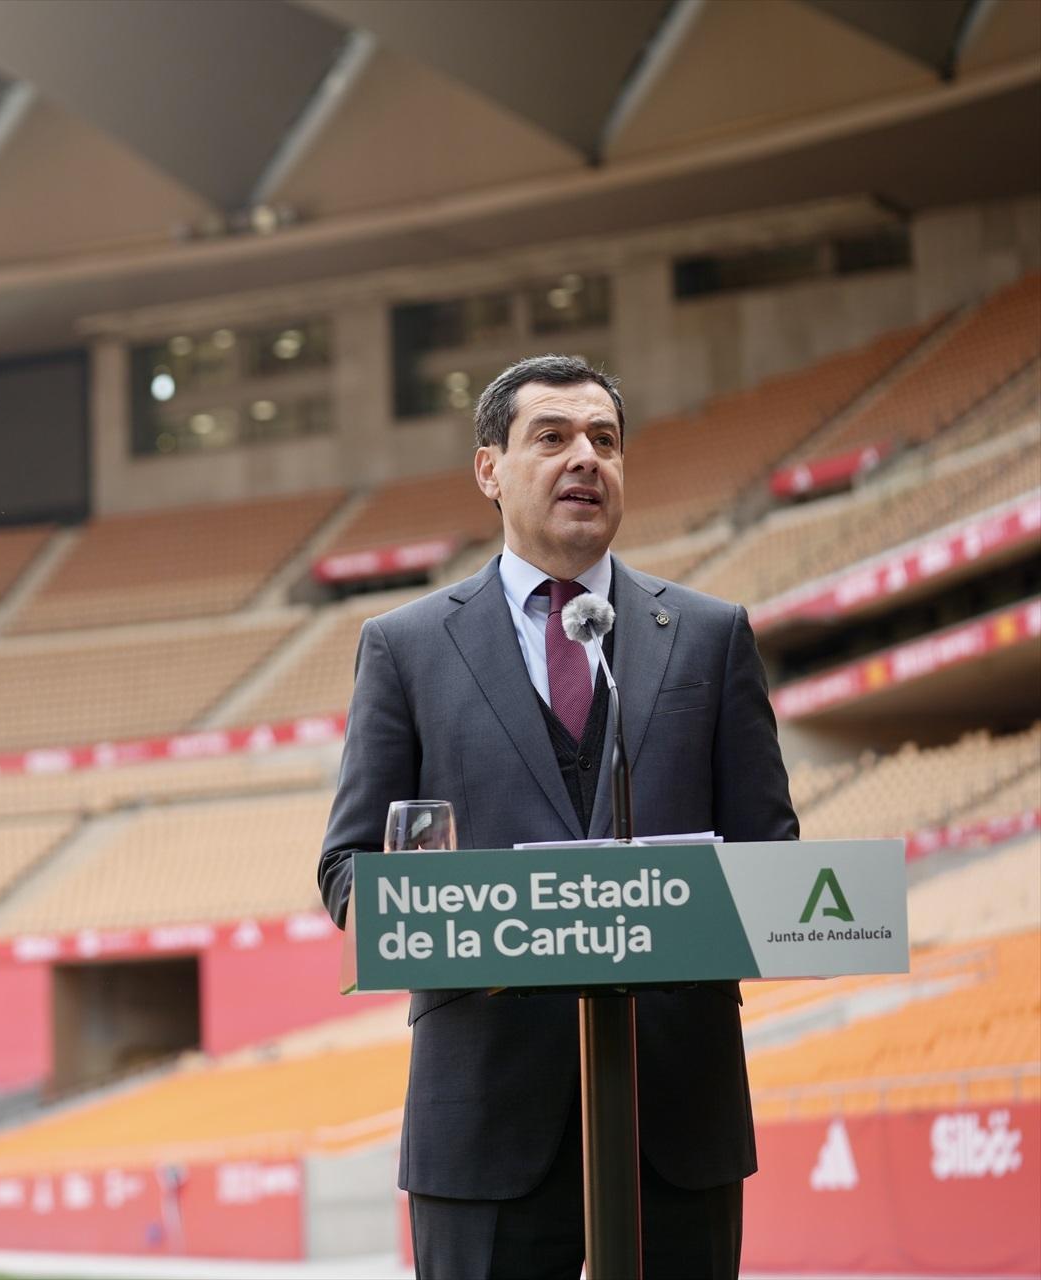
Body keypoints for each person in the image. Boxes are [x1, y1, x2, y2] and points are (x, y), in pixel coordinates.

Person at [318, 354, 796, 1279]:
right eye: (553, 438)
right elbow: (347, 872)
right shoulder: (405, 649)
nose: (586, 457)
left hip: (677, 1115)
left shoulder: (711, 634)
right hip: (485, 1116)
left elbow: (772, 857)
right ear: (489, 470)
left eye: (604, 441)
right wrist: (456, 909)